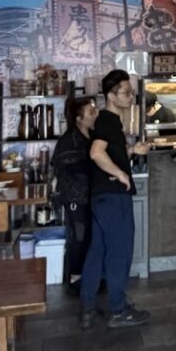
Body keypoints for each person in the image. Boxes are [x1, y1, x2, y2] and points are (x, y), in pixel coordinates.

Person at [82, 69, 153, 329]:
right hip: (113, 197)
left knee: (98, 250)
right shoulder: (109, 120)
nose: (131, 96)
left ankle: (88, 307)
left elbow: (110, 150)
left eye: (131, 91)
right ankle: (117, 309)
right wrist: (122, 174)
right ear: (111, 95)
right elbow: (96, 153)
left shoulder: (107, 122)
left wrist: (132, 150)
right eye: (126, 92)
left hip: (101, 197)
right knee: (119, 252)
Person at [50, 95, 99, 296]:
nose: (95, 114)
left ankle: (88, 276)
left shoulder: (92, 135)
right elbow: (67, 166)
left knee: (90, 236)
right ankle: (75, 278)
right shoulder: (69, 140)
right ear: (79, 118)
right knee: (78, 237)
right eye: (91, 111)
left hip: (90, 195)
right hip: (75, 197)